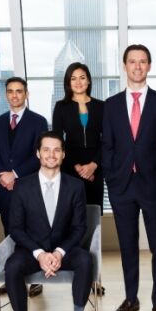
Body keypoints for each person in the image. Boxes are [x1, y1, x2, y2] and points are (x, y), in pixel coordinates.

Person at [103, 44, 156, 311]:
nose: (137, 66)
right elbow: (107, 145)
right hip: (121, 186)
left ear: (149, 66)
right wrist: (112, 177)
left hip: (153, 184)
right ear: (124, 66)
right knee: (127, 246)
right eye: (132, 61)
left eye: (143, 61)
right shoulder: (110, 105)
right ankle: (131, 298)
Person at [6, 132, 91, 311]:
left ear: (63, 155)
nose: (51, 154)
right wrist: (40, 254)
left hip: (64, 249)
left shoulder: (76, 186)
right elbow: (16, 228)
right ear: (38, 153)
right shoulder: (22, 186)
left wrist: (59, 253)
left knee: (85, 260)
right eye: (46, 149)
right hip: (32, 251)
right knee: (12, 266)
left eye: (56, 150)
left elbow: (79, 228)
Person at [0, 76, 48, 297]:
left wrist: (14, 174)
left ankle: (36, 278)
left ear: (26, 94)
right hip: (4, 189)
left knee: (33, 231)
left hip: (29, 187)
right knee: (10, 232)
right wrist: (3, 176)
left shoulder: (38, 121)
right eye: (10, 91)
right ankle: (12, 277)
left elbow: (39, 155)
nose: (14, 95)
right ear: (6, 95)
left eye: (19, 91)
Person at [52, 62, 104, 210]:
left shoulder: (102, 106)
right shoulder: (61, 107)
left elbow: (107, 139)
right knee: (71, 212)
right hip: (70, 165)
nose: (78, 82)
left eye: (82, 77)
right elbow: (58, 140)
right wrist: (77, 167)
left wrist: (94, 165)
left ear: (88, 80)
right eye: (73, 78)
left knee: (93, 212)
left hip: (96, 165)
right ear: (68, 82)